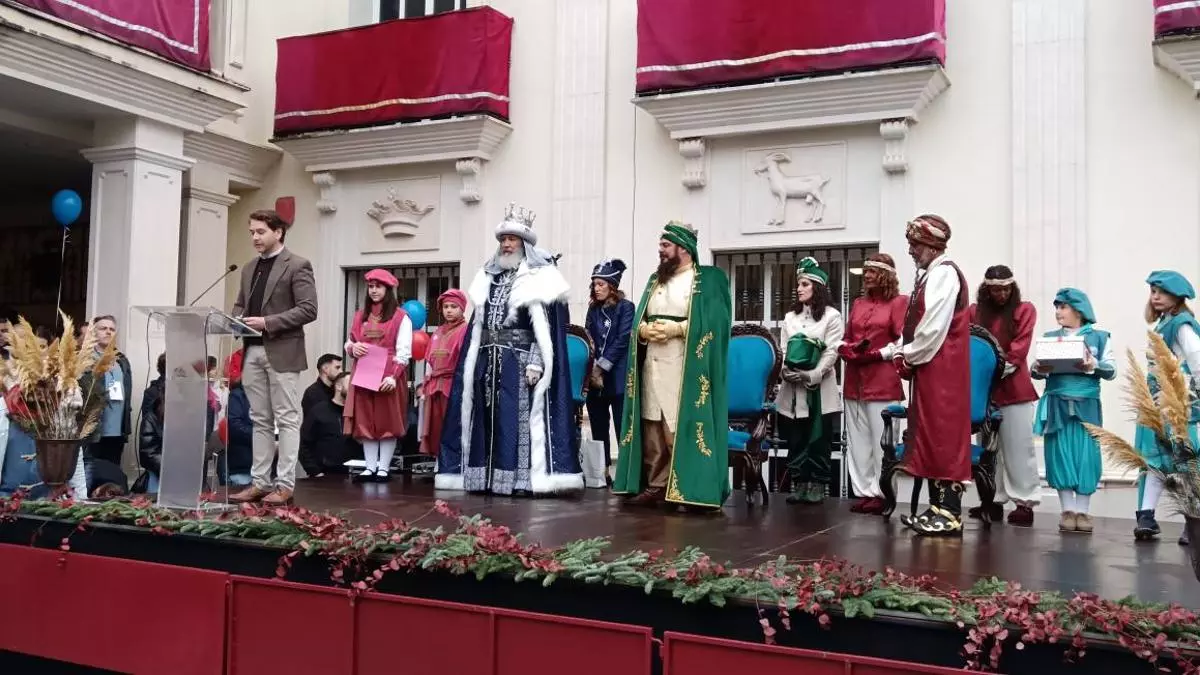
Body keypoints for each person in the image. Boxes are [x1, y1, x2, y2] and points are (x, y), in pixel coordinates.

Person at [436, 203, 583, 495]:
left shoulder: (540, 276)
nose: (506, 244)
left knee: (516, 423)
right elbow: (478, 323)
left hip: (519, 360)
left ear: (524, 243)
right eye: (503, 239)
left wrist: (536, 361)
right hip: (488, 359)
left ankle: (520, 481)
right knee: (487, 421)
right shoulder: (490, 275)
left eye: (512, 239)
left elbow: (547, 328)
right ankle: (485, 479)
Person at [612, 221, 732, 511]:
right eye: (661, 245)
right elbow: (640, 319)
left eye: (666, 245)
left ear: (684, 248)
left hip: (684, 365)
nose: (661, 250)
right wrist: (643, 331)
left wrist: (676, 330)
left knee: (677, 426)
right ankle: (657, 485)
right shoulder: (656, 279)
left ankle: (691, 489)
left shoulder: (707, 280)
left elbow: (716, 323)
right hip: (651, 362)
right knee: (652, 424)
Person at [229, 208, 318, 506]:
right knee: (260, 420)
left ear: (278, 232)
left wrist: (268, 322)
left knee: (287, 418)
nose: (254, 237)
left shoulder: (298, 265)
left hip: (282, 350)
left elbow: (308, 309)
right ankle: (259, 482)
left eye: (260, 231)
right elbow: (240, 304)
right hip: (251, 350)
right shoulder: (248, 268)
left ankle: (285, 484)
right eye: (252, 232)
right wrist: (234, 319)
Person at [892, 214, 972, 536]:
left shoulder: (943, 274)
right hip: (933, 368)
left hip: (943, 369)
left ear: (932, 246)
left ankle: (950, 512)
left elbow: (933, 328)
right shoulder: (931, 275)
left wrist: (907, 354)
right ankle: (937, 508)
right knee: (931, 434)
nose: (911, 250)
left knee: (944, 436)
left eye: (915, 244)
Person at [1031, 288, 1115, 534]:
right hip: (1057, 403)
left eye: (1063, 307)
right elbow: (1035, 370)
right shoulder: (1049, 338)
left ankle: (1083, 511)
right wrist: (1038, 367)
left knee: (1086, 454)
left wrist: (1094, 364)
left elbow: (1111, 370)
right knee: (1060, 452)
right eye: (1057, 307)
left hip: (1086, 405)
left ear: (1078, 310)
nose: (1058, 312)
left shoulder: (1099, 337)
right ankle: (1067, 510)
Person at [967, 266, 1040, 526]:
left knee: (1019, 448)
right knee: (988, 449)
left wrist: (991, 369)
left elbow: (1019, 349)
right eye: (996, 290)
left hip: (1014, 390)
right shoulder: (974, 312)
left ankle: (1024, 503)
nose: (1002, 294)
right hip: (984, 392)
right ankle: (992, 500)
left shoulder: (1024, 310)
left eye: (1006, 289)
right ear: (986, 290)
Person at [1133, 271, 1200, 543]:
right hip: (1157, 400)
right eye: (1153, 291)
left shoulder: (1182, 324)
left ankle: (1193, 522)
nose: (1156, 296)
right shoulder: (1164, 323)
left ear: (1177, 296)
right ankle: (1146, 515)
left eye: (1162, 292)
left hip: (1178, 401)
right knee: (1154, 458)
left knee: (1185, 460)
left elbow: (1196, 360)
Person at [837, 253, 907, 514]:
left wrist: (877, 354)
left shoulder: (899, 303)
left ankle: (884, 493)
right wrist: (845, 349)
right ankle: (865, 493)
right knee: (858, 443)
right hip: (854, 382)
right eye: (865, 271)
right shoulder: (858, 303)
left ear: (886, 276)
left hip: (883, 382)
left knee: (883, 443)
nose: (866, 276)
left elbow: (903, 341)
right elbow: (846, 336)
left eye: (872, 272)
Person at [778, 257, 843, 505]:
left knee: (818, 437)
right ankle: (800, 483)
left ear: (817, 287)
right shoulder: (790, 317)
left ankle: (817, 484)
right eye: (798, 284)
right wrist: (785, 371)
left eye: (804, 284)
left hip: (819, 389)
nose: (799, 288)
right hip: (792, 388)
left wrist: (812, 374)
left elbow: (832, 351)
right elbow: (784, 349)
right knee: (796, 438)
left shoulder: (832, 316)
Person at [343, 268, 412, 483]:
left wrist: (394, 376)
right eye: (371, 287)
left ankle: (383, 468)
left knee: (387, 421)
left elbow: (404, 350)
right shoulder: (360, 315)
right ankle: (370, 467)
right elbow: (350, 341)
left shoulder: (401, 317)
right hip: (364, 373)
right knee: (366, 421)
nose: (373, 290)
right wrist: (352, 348)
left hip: (388, 374)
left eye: (378, 287)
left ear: (388, 289)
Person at [585, 259, 635, 472]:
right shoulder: (593, 309)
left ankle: (625, 473)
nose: (596, 289)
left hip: (617, 376)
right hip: (594, 378)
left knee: (622, 427)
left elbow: (622, 339)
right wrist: (592, 368)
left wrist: (602, 367)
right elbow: (588, 338)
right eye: (594, 284)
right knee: (598, 425)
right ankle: (601, 471)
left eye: (601, 284)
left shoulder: (626, 307)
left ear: (612, 286)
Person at [418, 289, 470, 457]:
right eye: (446, 307)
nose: (449, 310)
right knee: (435, 427)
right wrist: (425, 385)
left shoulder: (466, 330)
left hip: (454, 385)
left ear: (462, 308)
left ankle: (454, 462)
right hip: (434, 387)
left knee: (453, 426)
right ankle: (439, 460)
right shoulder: (438, 332)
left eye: (453, 307)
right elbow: (429, 362)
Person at [85, 316, 134, 467]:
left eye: (112, 329)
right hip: (94, 431)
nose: (108, 332)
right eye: (103, 328)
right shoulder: (86, 360)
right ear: (94, 332)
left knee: (112, 473)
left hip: (118, 432)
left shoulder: (122, 360)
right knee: (92, 473)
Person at [301, 372, 359, 477]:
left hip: (354, 475)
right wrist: (314, 471)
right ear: (338, 386)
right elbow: (304, 443)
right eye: (351, 384)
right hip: (325, 476)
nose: (355, 389)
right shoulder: (318, 411)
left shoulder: (358, 413)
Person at [219, 349, 253, 488]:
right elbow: (235, 426)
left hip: (265, 467)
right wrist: (261, 435)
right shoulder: (238, 395)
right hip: (243, 466)